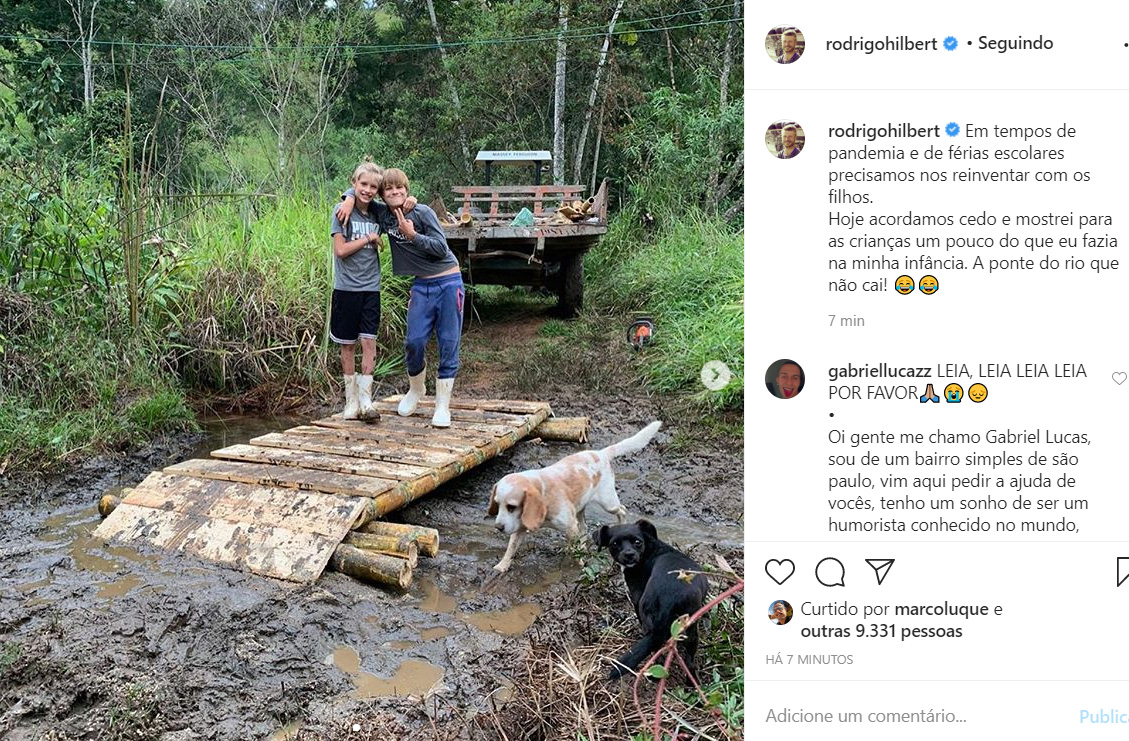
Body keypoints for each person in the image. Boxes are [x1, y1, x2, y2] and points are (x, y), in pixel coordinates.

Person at [338, 168, 463, 427]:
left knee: (448, 341)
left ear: (407, 191)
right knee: (414, 341)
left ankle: (442, 407)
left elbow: (441, 248)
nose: (395, 193)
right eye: (390, 189)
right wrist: (348, 197)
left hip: (448, 281)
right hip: (421, 285)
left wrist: (412, 235)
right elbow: (363, 193)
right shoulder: (383, 215)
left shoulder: (422, 212)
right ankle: (417, 389)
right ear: (384, 195)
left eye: (400, 189)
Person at [329, 162, 387, 421]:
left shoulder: (377, 213)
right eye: (362, 185)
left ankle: (366, 400)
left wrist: (411, 199)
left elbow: (397, 201)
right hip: (346, 288)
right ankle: (350, 401)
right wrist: (368, 239)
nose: (368, 190)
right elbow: (340, 251)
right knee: (348, 345)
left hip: (370, 288)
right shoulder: (341, 211)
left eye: (373, 186)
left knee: (369, 342)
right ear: (354, 183)